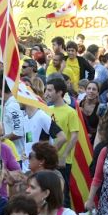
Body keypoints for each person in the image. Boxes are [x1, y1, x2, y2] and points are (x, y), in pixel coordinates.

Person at [45, 78, 80, 206]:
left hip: (62, 161)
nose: (46, 93)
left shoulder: (70, 112)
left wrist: (64, 155)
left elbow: (74, 136)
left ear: (59, 92)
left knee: (63, 194)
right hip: (48, 160)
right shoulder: (47, 110)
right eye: (46, 89)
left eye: (50, 90)